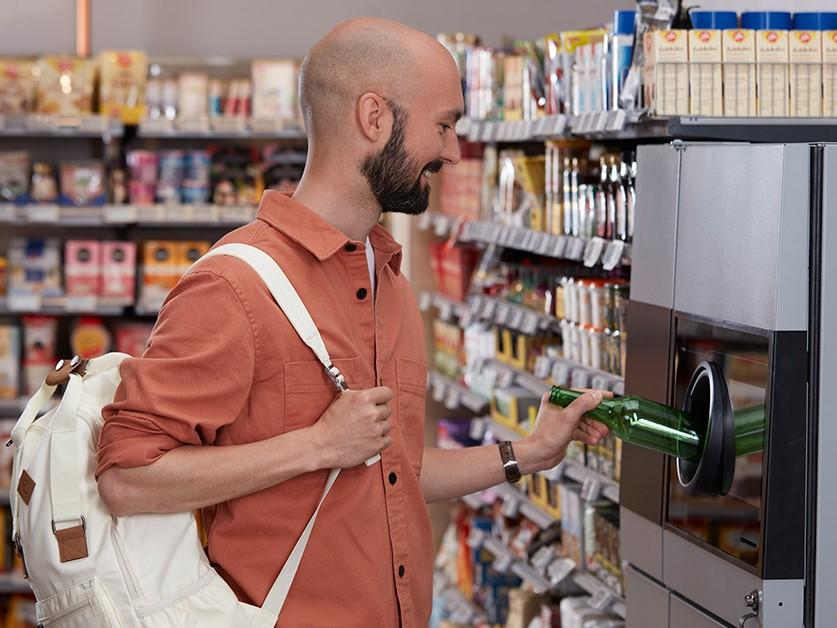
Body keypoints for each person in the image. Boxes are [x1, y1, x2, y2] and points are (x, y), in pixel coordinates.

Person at [96, 17, 609, 627]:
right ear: (375, 118)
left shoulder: (388, 281)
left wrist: (528, 452)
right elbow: (128, 479)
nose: (451, 151)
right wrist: (316, 445)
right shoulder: (234, 286)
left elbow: (396, 472)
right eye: (443, 125)